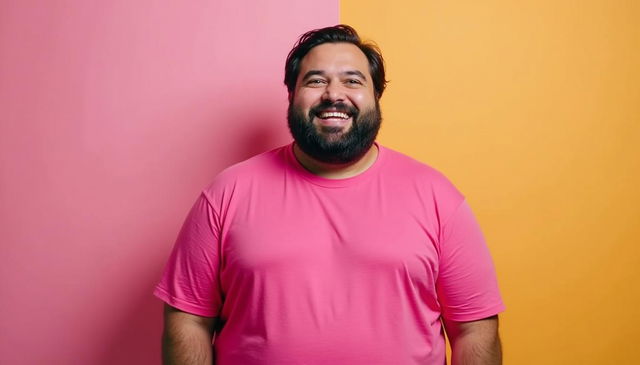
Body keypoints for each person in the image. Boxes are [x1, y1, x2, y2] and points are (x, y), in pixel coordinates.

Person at [155, 24, 505, 365]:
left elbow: (474, 331)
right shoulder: (226, 193)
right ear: (292, 95)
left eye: (352, 81)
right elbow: (189, 320)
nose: (333, 94)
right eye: (316, 80)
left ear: (375, 97)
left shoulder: (437, 197)